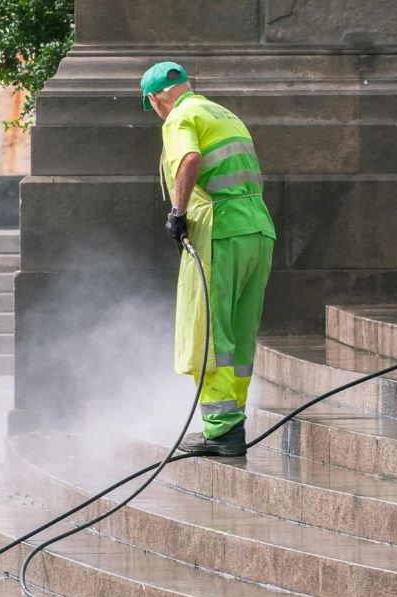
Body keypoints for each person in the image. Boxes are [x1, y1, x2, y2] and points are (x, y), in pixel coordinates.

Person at [140, 61, 276, 457]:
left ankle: (221, 430)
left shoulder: (180, 116)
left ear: (156, 99)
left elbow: (189, 160)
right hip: (258, 229)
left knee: (211, 334)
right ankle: (231, 425)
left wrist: (177, 214)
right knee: (239, 334)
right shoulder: (222, 113)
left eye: (153, 108)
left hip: (221, 232)